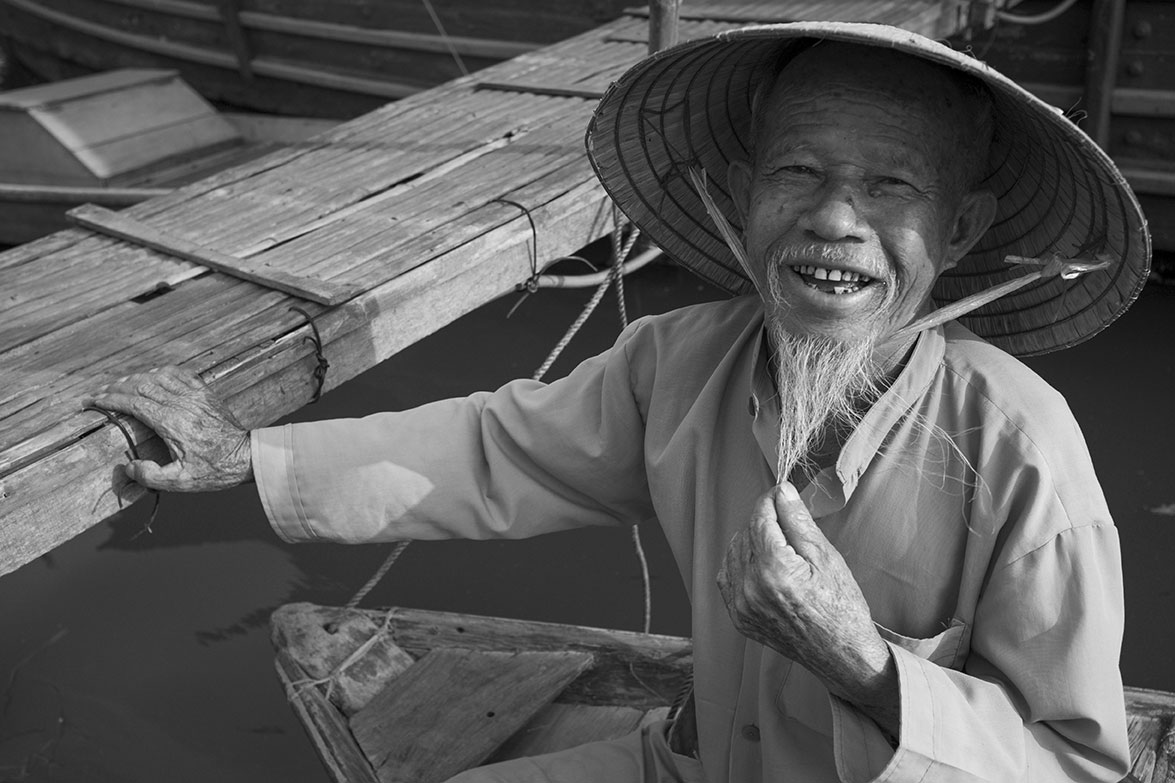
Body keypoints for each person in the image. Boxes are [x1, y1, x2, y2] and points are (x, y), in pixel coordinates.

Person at [87, 22, 1151, 783]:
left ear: (958, 231)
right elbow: (489, 452)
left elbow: (1071, 764)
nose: (834, 219)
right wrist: (249, 457)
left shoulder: (1019, 444)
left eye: (889, 188)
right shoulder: (680, 359)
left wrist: (859, 665)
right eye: (796, 172)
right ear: (739, 201)